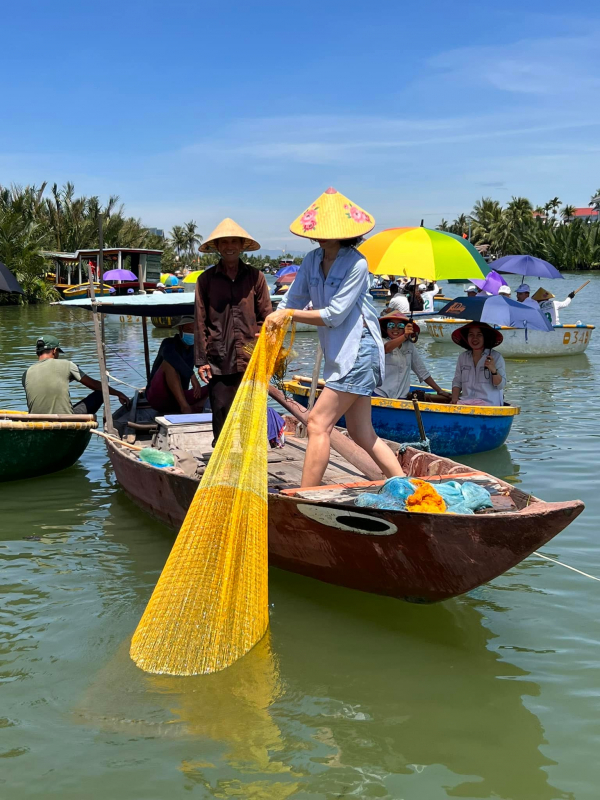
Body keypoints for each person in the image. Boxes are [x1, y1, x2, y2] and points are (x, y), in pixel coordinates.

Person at [265, 186, 406, 486]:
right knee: (361, 433)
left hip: (360, 351)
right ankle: (404, 485)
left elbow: (334, 315)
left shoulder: (357, 263)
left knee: (317, 423)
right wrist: (272, 324)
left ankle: (306, 496)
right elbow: (292, 299)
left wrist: (287, 316)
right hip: (341, 353)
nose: (320, 235)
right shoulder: (312, 259)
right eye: (318, 229)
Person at [194, 218, 272, 444]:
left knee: (251, 413)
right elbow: (200, 321)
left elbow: (266, 317)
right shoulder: (205, 280)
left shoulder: (256, 277)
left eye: (234, 242)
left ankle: (250, 461)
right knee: (221, 412)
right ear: (217, 247)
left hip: (251, 357)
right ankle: (222, 462)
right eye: (224, 242)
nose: (229, 246)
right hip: (219, 358)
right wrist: (201, 361)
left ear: (241, 246)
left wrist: (263, 347)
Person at [23, 334, 129, 415]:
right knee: (101, 391)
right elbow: (95, 385)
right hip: (66, 421)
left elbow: (42, 389)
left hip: (36, 422)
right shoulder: (68, 365)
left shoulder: (26, 373)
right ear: (54, 351)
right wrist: (118, 393)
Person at [374, 313, 450, 400]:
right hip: (380, 394)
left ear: (406, 328)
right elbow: (386, 348)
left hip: (401, 396)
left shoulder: (409, 346)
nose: (395, 328)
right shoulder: (380, 342)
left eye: (400, 325)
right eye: (391, 325)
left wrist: (439, 390)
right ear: (385, 328)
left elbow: (421, 371)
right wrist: (405, 336)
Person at [145, 317, 208, 414]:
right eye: (188, 330)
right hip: (158, 397)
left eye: (194, 331)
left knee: (220, 381)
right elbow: (171, 356)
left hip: (181, 395)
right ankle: (185, 407)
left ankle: (197, 407)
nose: (192, 333)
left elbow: (204, 363)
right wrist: (191, 375)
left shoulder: (195, 348)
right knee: (169, 363)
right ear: (180, 330)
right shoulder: (168, 343)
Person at [450, 322, 506, 406]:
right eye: (471, 335)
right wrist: (454, 398)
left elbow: (500, 385)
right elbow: (457, 381)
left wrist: (493, 370)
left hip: (490, 406)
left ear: (485, 337)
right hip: (466, 404)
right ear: (466, 337)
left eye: (479, 335)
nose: (474, 338)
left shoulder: (496, 357)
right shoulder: (463, 357)